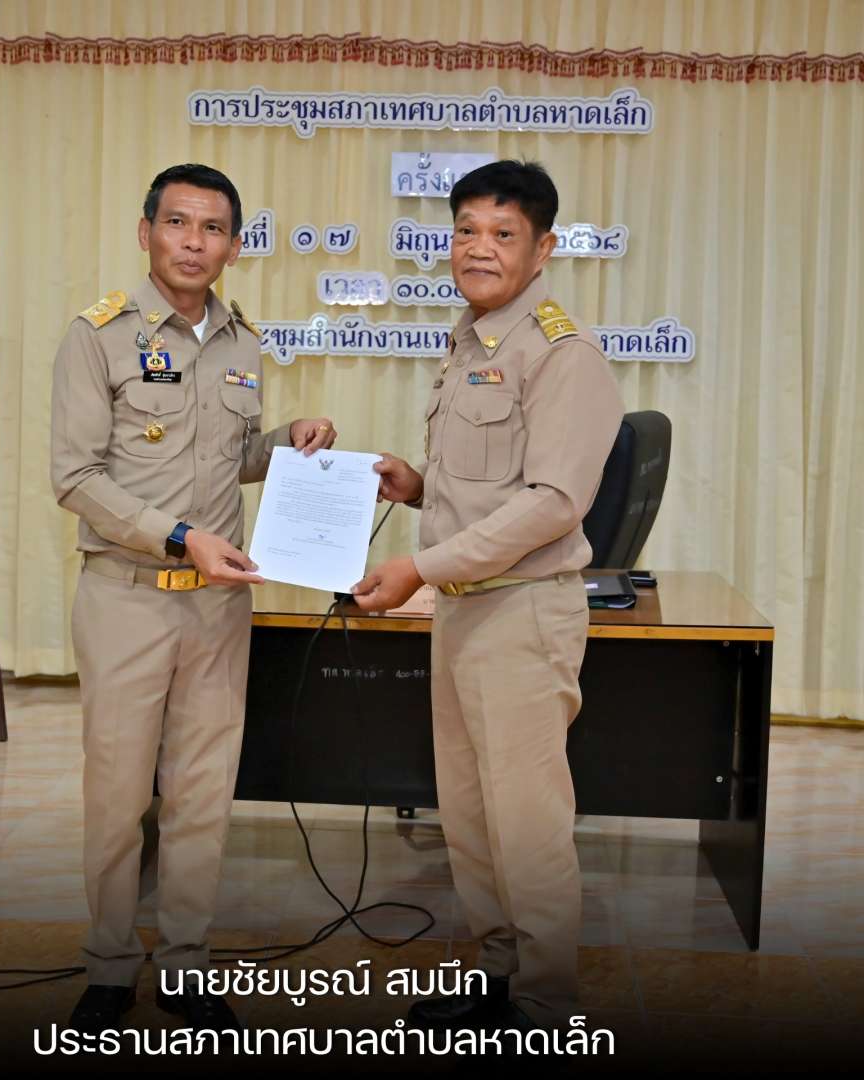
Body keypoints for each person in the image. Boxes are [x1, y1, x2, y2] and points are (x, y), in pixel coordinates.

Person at [50, 163, 336, 1036]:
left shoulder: (243, 343)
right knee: (117, 795)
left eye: (212, 229)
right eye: (177, 223)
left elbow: (229, 457)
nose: (193, 242)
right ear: (146, 232)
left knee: (202, 793)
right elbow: (75, 478)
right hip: (127, 597)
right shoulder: (98, 336)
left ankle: (184, 965)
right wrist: (179, 537)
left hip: (218, 607)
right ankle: (109, 967)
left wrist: (289, 441)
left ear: (235, 247)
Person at [351, 160, 624, 1032]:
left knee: (527, 825)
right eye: (467, 230)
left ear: (542, 249)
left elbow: (552, 504)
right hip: (466, 609)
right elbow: (488, 486)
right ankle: (499, 979)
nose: (480, 248)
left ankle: (545, 1008)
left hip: (523, 613)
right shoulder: (471, 341)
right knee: (470, 817)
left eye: (503, 234)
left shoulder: (563, 354)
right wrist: (417, 486)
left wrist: (420, 568)